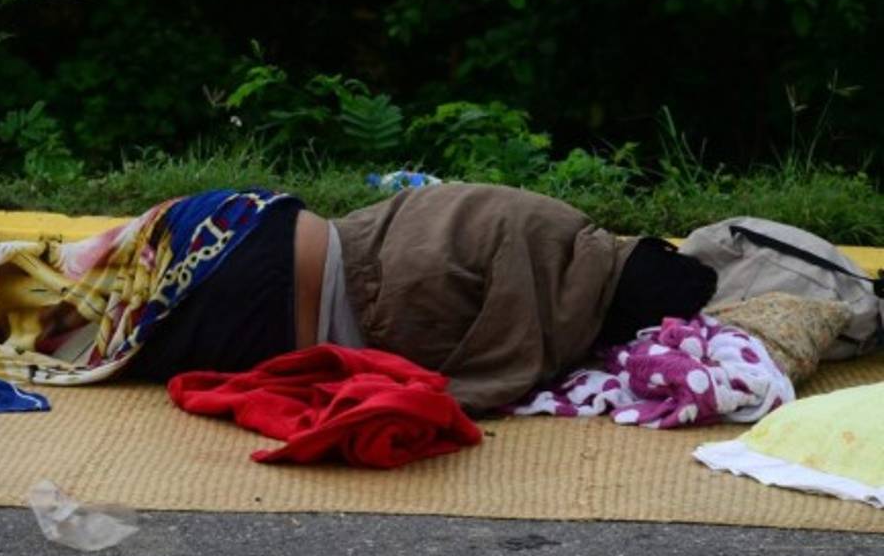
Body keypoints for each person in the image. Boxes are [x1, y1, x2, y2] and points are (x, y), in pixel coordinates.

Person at [128, 183, 717, 415]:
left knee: (65, 293)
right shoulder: (553, 318)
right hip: (257, 304)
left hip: (249, 215)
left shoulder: (553, 222)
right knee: (72, 334)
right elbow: (480, 381)